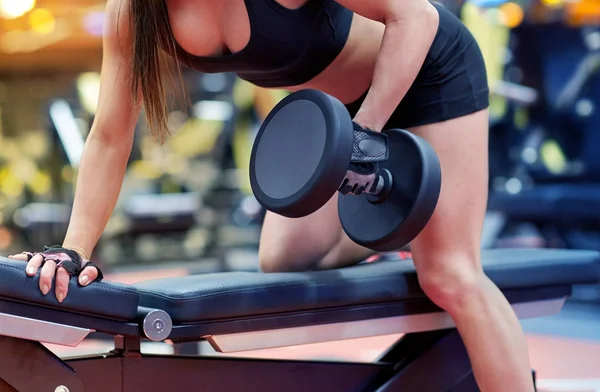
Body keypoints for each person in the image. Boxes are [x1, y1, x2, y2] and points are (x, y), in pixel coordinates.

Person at [8, 0, 534, 391]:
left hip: (426, 74)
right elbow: (110, 134)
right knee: (282, 256)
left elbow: (415, 17)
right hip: (342, 116)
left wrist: (365, 136)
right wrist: (74, 250)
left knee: (450, 276)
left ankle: (428, 237)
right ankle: (405, 223)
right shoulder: (134, 13)